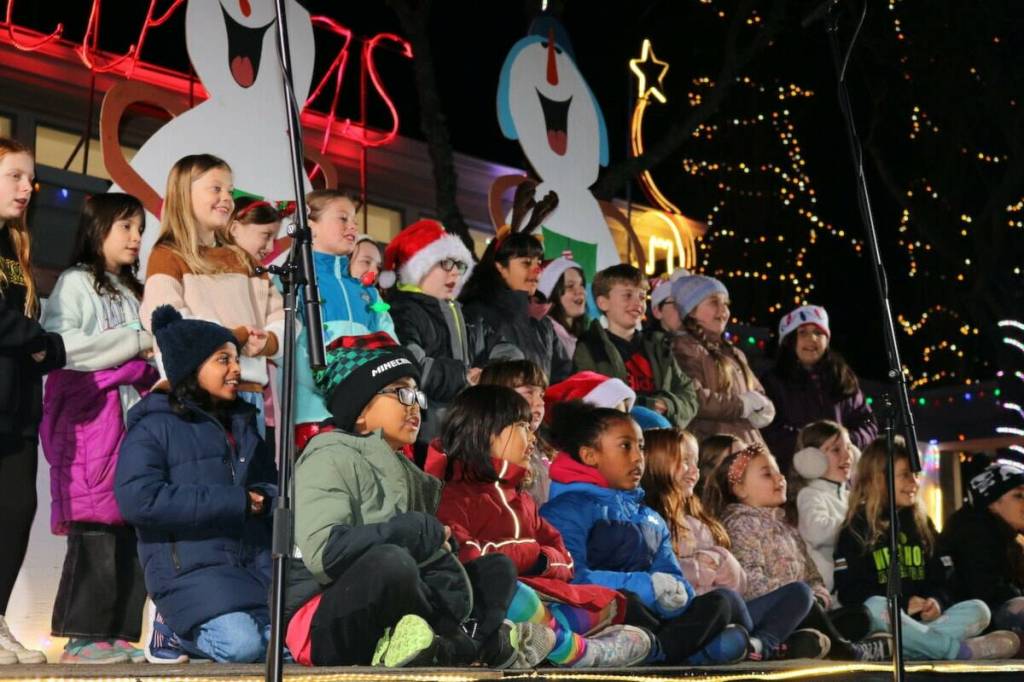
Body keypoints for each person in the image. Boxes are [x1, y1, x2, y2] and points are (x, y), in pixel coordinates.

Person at [284, 332, 522, 668]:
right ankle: (466, 644)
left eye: (416, 395)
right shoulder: (327, 455)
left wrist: (441, 547)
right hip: (324, 617)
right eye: (401, 393)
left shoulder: (407, 470)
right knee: (391, 564)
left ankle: (445, 644)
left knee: (497, 568)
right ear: (360, 410)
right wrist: (410, 531)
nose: (414, 405)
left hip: (398, 599)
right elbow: (325, 554)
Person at [436, 385, 654, 668]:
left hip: (544, 598)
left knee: (608, 602)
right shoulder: (455, 495)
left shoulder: (523, 500)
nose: (532, 438)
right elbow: (468, 557)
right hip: (499, 602)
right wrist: (531, 553)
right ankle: (578, 651)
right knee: (516, 595)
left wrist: (543, 561)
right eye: (522, 427)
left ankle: (540, 641)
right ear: (486, 430)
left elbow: (565, 558)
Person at [115, 306, 277, 663]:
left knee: (285, 648)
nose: (236, 369)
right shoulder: (154, 425)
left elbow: (269, 486)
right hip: (187, 572)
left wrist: (267, 498)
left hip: (251, 567)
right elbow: (138, 500)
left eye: (236, 359)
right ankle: (170, 629)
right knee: (242, 647)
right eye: (223, 359)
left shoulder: (243, 424)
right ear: (191, 366)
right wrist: (237, 501)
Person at [39, 193, 158, 663]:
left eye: (140, 230)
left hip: (130, 422)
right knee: (95, 529)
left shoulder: (134, 289)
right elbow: (66, 346)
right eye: (126, 228)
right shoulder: (74, 283)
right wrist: (132, 344)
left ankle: (119, 633)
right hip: (91, 422)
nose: (135, 238)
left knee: (130, 527)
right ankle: (82, 635)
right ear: (97, 230)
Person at [540, 400, 743, 665]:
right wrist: (648, 586)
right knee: (628, 601)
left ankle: (652, 650)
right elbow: (570, 579)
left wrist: (677, 595)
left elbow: (671, 576)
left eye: (641, 448)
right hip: (602, 612)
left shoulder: (649, 516)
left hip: (652, 617)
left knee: (721, 602)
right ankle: (676, 649)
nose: (638, 457)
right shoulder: (566, 510)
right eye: (626, 446)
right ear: (590, 456)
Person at [643, 428, 826, 660]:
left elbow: (739, 585)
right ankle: (763, 644)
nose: (694, 471)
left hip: (728, 610)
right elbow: (658, 576)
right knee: (723, 601)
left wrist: (723, 559)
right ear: (657, 463)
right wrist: (700, 568)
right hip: (690, 615)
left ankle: (758, 644)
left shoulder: (702, 522)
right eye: (684, 461)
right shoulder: (650, 519)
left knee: (800, 593)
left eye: (695, 462)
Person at [834, 438, 1021, 660]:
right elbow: (850, 592)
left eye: (916, 474)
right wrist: (902, 604)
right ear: (877, 478)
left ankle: (901, 649)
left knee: (979, 609)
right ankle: (956, 651)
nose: (914, 482)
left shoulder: (922, 523)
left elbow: (944, 578)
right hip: (885, 621)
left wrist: (937, 600)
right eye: (905, 475)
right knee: (876, 605)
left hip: (925, 623)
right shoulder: (855, 528)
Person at [139, 154, 284, 437]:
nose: (227, 198)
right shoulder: (167, 255)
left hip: (249, 393)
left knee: (251, 480)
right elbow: (169, 322)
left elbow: (279, 314)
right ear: (184, 194)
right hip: (197, 395)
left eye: (230, 190)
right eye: (216, 188)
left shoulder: (243, 259)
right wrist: (235, 337)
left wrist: (268, 341)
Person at [704, 442, 889, 661]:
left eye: (778, 471)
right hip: (767, 612)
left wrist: (818, 597)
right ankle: (847, 650)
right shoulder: (741, 525)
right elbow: (751, 583)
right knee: (800, 594)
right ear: (740, 489)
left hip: (802, 608)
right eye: (767, 474)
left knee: (860, 617)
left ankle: (801, 641)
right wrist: (803, 598)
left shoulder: (786, 525)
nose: (779, 478)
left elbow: (812, 576)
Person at [0, 137, 65, 666]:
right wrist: (44, 343)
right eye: (14, 176)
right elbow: (13, 328)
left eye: (30, 179)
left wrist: (41, 345)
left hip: (18, 410)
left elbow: (26, 332)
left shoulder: (14, 251)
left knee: (18, 508)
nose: (27, 188)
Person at [292, 189, 396, 448]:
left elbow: (389, 343)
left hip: (364, 413)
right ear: (311, 225)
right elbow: (289, 349)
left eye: (354, 221)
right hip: (315, 414)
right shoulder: (293, 279)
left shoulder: (366, 290)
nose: (352, 226)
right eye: (342, 218)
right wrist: (331, 388)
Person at [381, 220, 487, 460]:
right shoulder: (402, 311)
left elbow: (490, 345)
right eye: (445, 263)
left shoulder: (457, 310)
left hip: (455, 429)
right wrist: (463, 376)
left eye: (459, 264)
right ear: (418, 267)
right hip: (424, 432)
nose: (455, 272)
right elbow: (411, 365)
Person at [460, 183, 571, 383]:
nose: (536, 270)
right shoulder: (477, 317)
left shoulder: (542, 327)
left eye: (538, 262)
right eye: (526, 263)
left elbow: (563, 379)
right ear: (500, 267)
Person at [574, 264, 698, 429]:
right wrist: (648, 405)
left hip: (662, 441)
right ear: (603, 303)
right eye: (627, 295)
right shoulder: (590, 346)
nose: (637, 303)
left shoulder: (659, 346)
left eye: (642, 296)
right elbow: (591, 399)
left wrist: (669, 404)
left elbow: (688, 394)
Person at [760, 305, 877, 474]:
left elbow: (867, 422)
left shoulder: (843, 378)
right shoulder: (772, 381)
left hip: (840, 479)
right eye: (803, 333)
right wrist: (812, 445)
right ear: (789, 340)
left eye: (818, 332)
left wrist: (845, 443)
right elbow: (768, 427)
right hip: (793, 477)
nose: (812, 338)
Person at [670, 271, 773, 445]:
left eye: (725, 303)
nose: (723, 310)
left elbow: (756, 391)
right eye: (714, 302)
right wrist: (741, 406)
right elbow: (695, 397)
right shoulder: (684, 348)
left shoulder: (734, 353)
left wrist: (764, 406)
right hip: (717, 447)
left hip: (748, 443)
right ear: (692, 310)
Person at [940, 459, 1024, 633]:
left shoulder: (1005, 534)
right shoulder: (974, 533)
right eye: (1018, 496)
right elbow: (988, 591)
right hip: (973, 621)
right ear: (992, 503)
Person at [788, 420, 854, 596]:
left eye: (849, 448)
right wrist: (858, 525)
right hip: (829, 593)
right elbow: (817, 532)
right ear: (811, 459)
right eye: (836, 450)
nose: (847, 456)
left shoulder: (850, 497)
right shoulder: (810, 495)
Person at [478, 360, 555, 504]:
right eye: (529, 393)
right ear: (500, 396)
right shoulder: (491, 454)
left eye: (541, 395)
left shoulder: (542, 451)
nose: (540, 402)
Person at [536, 254, 587, 358]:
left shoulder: (583, 337)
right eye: (570, 286)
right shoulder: (545, 336)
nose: (580, 291)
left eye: (581, 285)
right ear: (552, 293)